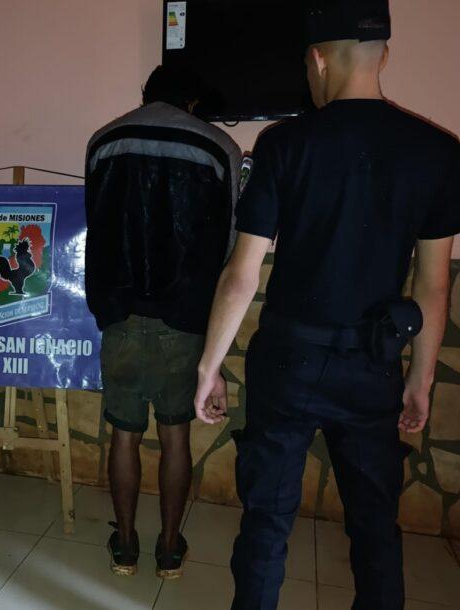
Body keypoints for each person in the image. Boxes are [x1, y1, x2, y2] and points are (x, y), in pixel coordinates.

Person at [193, 1, 460, 608]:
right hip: (373, 366)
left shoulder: (284, 143)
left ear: (316, 59)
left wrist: (210, 366)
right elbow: (433, 285)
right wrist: (420, 381)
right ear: (383, 56)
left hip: (288, 361)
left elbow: (241, 274)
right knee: (375, 528)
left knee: (267, 522)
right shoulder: (439, 152)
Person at [84, 65, 241, 579]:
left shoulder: (103, 141)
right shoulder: (219, 147)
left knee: (123, 436)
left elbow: (96, 225)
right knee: (176, 438)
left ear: (145, 95)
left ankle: (125, 547)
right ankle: (170, 550)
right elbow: (230, 244)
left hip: (120, 316)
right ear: (192, 102)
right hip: (185, 320)